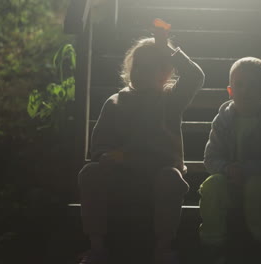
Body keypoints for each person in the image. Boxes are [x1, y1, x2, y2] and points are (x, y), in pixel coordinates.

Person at [78, 21, 205, 264]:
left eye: (149, 67)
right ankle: (97, 247)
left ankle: (163, 248)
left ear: (165, 72)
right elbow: (100, 142)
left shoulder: (170, 100)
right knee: (89, 173)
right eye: (138, 65)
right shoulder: (116, 102)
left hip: (159, 171)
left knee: (171, 179)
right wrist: (104, 155)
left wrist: (166, 49)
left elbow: (196, 77)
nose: (141, 71)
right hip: (122, 170)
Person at [198, 57, 261, 262]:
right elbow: (210, 158)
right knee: (211, 186)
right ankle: (212, 245)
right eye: (239, 85)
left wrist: (247, 170)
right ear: (230, 90)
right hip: (230, 180)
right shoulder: (222, 120)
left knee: (256, 188)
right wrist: (227, 169)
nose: (245, 91)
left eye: (253, 85)